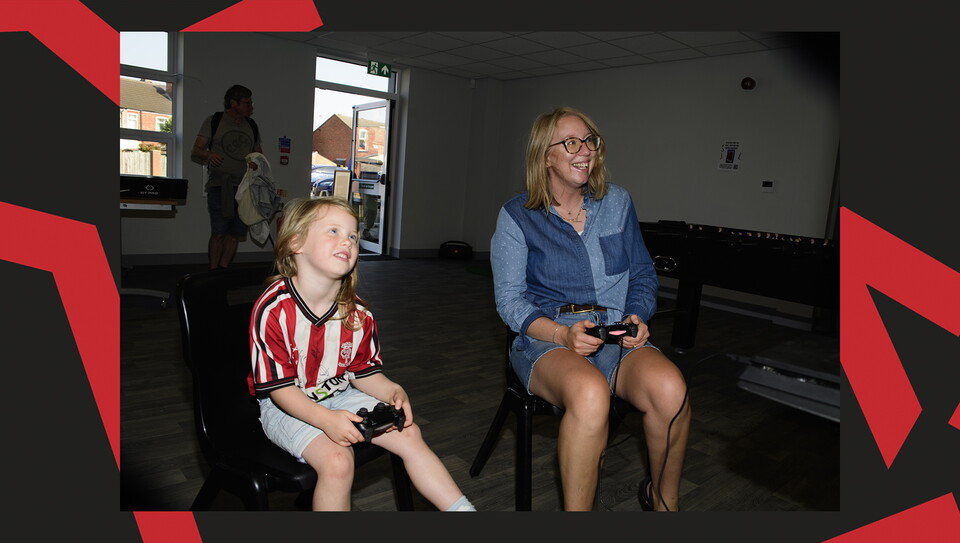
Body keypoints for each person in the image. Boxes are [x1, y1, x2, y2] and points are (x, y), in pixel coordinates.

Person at [490, 106, 691, 512]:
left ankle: (663, 502)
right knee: (590, 392)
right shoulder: (516, 216)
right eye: (570, 142)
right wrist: (562, 334)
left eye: (590, 141)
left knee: (671, 389)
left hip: (615, 331)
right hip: (547, 337)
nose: (584, 151)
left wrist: (637, 314)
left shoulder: (617, 202)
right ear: (545, 156)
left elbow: (642, 274)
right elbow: (509, 301)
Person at [247, 196, 475, 512]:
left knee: (410, 433)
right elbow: (279, 389)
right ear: (296, 243)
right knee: (338, 461)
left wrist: (393, 390)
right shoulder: (274, 309)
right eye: (333, 231)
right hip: (286, 405)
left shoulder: (358, 313)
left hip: (339, 395)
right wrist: (325, 419)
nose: (348, 241)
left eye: (353, 235)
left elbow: (363, 373)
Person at [191, 84, 263, 270]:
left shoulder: (251, 126)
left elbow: (259, 155)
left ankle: (222, 272)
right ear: (233, 103)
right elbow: (196, 151)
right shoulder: (214, 121)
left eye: (251, 102)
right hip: (220, 186)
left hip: (244, 188)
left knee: (235, 234)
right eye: (247, 103)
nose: (251, 106)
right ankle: (212, 272)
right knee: (219, 232)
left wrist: (256, 163)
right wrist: (209, 155)